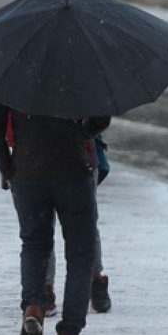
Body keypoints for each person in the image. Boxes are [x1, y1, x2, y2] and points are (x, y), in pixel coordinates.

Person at [0, 104, 110, 335]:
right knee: (80, 253)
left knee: (34, 245)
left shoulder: (10, 71)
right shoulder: (77, 67)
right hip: (73, 170)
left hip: (27, 171)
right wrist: (81, 131)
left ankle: (33, 305)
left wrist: (8, 169)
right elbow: (100, 118)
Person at [43, 131, 111, 317]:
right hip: (69, 155)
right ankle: (93, 282)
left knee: (46, 230)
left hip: (66, 156)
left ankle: (46, 290)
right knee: (81, 226)